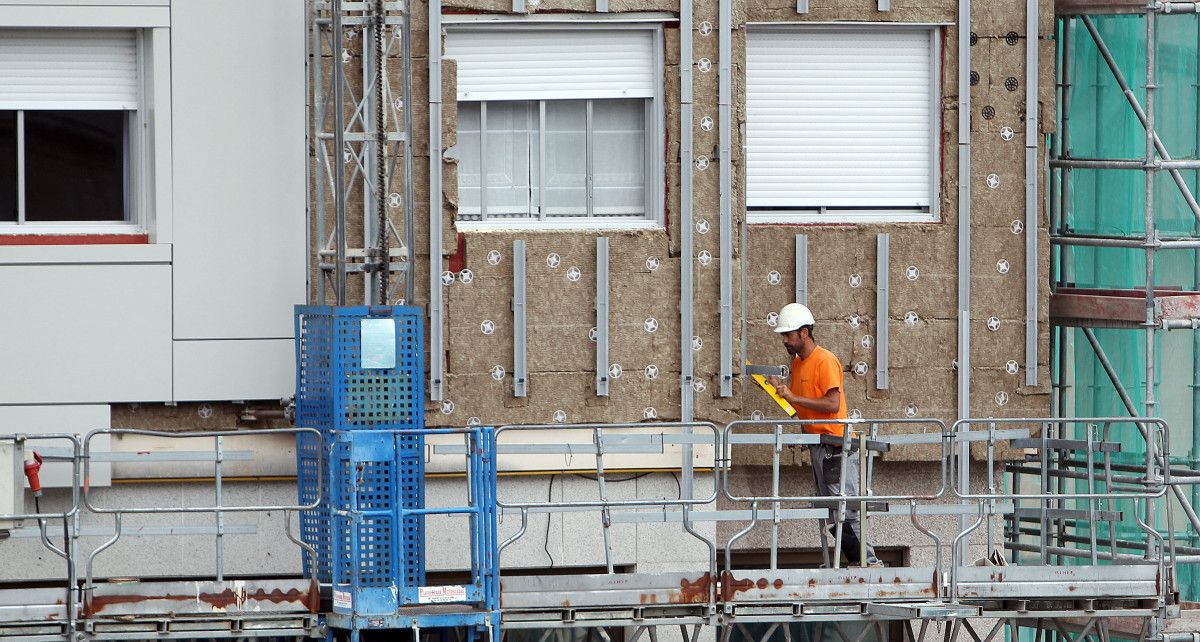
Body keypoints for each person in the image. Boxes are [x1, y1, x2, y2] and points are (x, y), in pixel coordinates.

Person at [766, 302, 882, 568]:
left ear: (804, 333)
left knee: (845, 510)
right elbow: (802, 405)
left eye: (788, 335)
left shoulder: (825, 360)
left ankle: (868, 563)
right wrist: (782, 392)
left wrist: (793, 396)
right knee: (833, 512)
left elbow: (832, 404)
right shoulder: (798, 364)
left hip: (835, 446)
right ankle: (859, 563)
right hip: (819, 445)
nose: (785, 340)